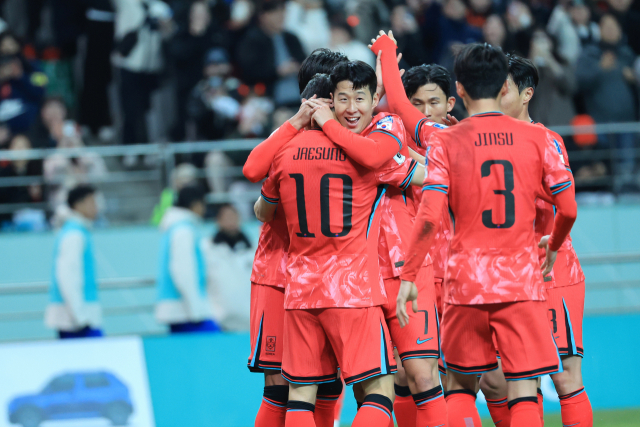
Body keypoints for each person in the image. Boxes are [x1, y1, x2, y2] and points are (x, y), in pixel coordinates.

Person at [399, 43, 577, 427]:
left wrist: (410, 274)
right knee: (523, 387)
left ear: (458, 91)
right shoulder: (537, 138)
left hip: (465, 281)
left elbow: (430, 215)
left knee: (460, 385)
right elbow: (569, 208)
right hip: (521, 278)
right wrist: (554, 246)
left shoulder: (445, 141)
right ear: (502, 88)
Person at [254, 60, 423, 427]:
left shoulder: (284, 153)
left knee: (298, 394)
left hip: (298, 289)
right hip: (352, 287)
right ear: (331, 103)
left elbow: (260, 202)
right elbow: (426, 175)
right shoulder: (365, 154)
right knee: (379, 390)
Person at [480, 53, 593, 427]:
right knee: (501, 380)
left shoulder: (545, 140)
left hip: (550, 272)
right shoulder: (481, 141)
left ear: (526, 94)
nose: (495, 96)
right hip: (505, 276)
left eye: (504, 89)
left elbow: (567, 207)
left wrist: (553, 246)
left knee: (563, 378)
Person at [245, 51, 349, 427]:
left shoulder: (351, 139)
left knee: (328, 383)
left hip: (330, 273)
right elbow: (254, 178)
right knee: (279, 386)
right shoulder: (285, 136)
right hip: (278, 272)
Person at [371, 31, 457, 427]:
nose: (424, 110)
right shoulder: (387, 133)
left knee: (470, 376)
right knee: (405, 375)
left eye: (433, 102)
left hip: (454, 271)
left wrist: (387, 59)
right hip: (407, 267)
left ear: (450, 103)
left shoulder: (456, 140)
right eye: (417, 102)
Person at [155, 184, 221, 334]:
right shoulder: (183, 231)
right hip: (186, 311)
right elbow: (183, 272)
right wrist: (197, 310)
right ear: (196, 205)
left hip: (183, 310)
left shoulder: (177, 228)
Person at [45, 185, 102, 339]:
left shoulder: (78, 231)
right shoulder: (74, 235)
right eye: (93, 202)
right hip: (77, 321)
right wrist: (80, 317)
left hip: (79, 317)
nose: (97, 207)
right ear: (79, 204)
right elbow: (67, 276)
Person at [236, 0, 306, 108]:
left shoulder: (291, 38)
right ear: (263, 16)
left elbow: (306, 62)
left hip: (300, 97)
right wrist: (277, 71)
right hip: (268, 97)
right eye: (275, 12)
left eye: (282, 11)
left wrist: (299, 68)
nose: (280, 16)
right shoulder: (252, 40)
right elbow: (249, 72)